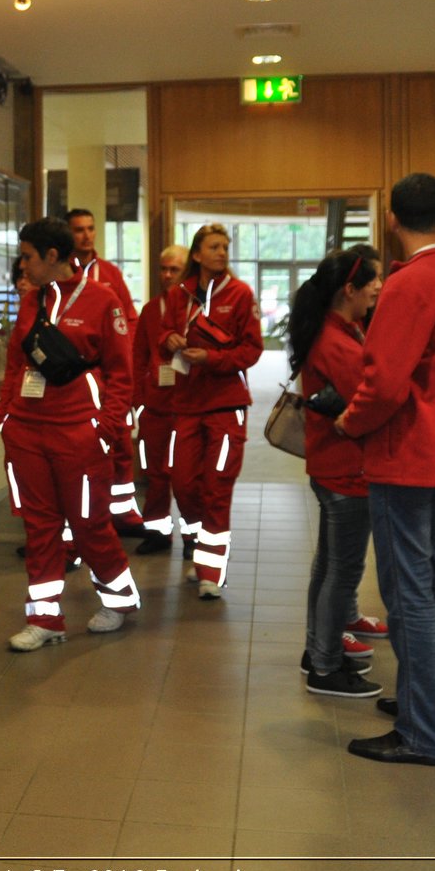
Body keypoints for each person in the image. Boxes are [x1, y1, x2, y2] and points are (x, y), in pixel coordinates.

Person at [334, 172, 435, 765]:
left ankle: (423, 730)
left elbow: (384, 383)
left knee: (410, 596)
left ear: (393, 219)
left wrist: (350, 422)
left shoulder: (411, 284)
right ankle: (427, 702)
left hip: (407, 456)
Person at [0, 217, 141, 651]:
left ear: (52, 257)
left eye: (27, 257)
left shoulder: (102, 299)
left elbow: (121, 374)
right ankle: (45, 618)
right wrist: (5, 415)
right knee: (40, 527)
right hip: (27, 433)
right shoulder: (30, 301)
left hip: (79, 433)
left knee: (89, 523)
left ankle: (119, 598)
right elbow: (15, 364)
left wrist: (105, 428)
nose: (22, 266)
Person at [289, 245, 386, 699]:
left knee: (328, 567)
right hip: (346, 471)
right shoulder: (338, 341)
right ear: (349, 289)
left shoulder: (338, 330)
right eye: (372, 284)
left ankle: (319, 653)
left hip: (333, 467)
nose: (378, 290)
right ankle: (326, 667)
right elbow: (367, 403)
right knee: (341, 573)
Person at [159, 223, 263, 600]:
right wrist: (167, 340)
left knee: (217, 486)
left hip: (226, 404)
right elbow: (163, 336)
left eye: (225, 246)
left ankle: (210, 571)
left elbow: (252, 350)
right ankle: (201, 550)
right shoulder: (179, 295)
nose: (222, 253)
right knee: (184, 484)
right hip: (186, 404)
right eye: (214, 247)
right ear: (197, 254)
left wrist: (213, 358)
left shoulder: (239, 294)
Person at [66, 207, 147, 538]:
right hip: (75, 376)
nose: (86, 235)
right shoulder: (61, 274)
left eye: (90, 228)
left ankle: (124, 511)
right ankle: (86, 517)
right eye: (78, 230)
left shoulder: (111, 273)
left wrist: (122, 353)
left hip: (108, 373)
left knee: (121, 443)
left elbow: (130, 318)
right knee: (83, 447)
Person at [133, 243, 187, 555]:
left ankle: (194, 538)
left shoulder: (196, 310)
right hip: (155, 405)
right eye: (163, 269)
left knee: (189, 477)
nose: (166, 275)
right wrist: (139, 398)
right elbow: (138, 355)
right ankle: (157, 533)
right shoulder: (151, 310)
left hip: (188, 405)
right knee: (155, 473)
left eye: (174, 269)